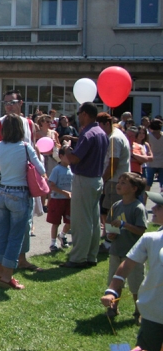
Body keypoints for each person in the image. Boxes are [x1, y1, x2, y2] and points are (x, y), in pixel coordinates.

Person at [0, 113, 45, 290]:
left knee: (2, 235)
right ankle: (7, 276)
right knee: (15, 237)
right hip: (19, 194)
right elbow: (41, 169)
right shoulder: (25, 147)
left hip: (1, 193)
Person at [101, 192, 163, 351]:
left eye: (158, 206)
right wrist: (112, 291)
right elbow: (126, 265)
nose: (153, 209)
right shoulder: (151, 239)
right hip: (153, 315)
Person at [63, 102, 109, 268]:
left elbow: (75, 158)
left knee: (81, 221)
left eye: (79, 112)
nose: (78, 115)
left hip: (84, 179)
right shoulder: (101, 133)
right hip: (96, 178)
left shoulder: (88, 133)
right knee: (93, 220)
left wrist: (67, 149)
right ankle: (91, 255)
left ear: (86, 114)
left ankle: (78, 257)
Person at [105, 172, 148, 321]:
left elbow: (141, 230)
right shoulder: (116, 205)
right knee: (115, 281)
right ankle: (113, 307)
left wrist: (125, 225)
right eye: (119, 181)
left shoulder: (138, 208)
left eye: (124, 183)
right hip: (116, 250)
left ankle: (139, 311)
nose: (119, 184)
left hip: (134, 254)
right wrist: (111, 235)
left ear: (134, 188)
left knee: (136, 285)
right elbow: (110, 226)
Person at [99, 112, 131, 242]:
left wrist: (103, 179)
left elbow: (113, 163)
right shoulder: (116, 134)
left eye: (100, 125)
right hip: (116, 180)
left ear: (107, 123)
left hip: (115, 181)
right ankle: (109, 236)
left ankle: (111, 240)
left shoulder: (114, 139)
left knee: (111, 212)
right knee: (107, 211)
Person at [47, 146, 74, 252]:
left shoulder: (72, 170)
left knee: (70, 222)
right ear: (61, 156)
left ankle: (62, 235)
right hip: (57, 200)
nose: (70, 159)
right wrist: (64, 192)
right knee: (56, 222)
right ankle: (53, 243)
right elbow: (51, 185)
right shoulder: (57, 170)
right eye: (68, 156)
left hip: (69, 200)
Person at [146, 119, 163, 191]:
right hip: (162, 162)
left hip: (151, 162)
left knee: (148, 184)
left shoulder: (148, 136)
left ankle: (144, 201)